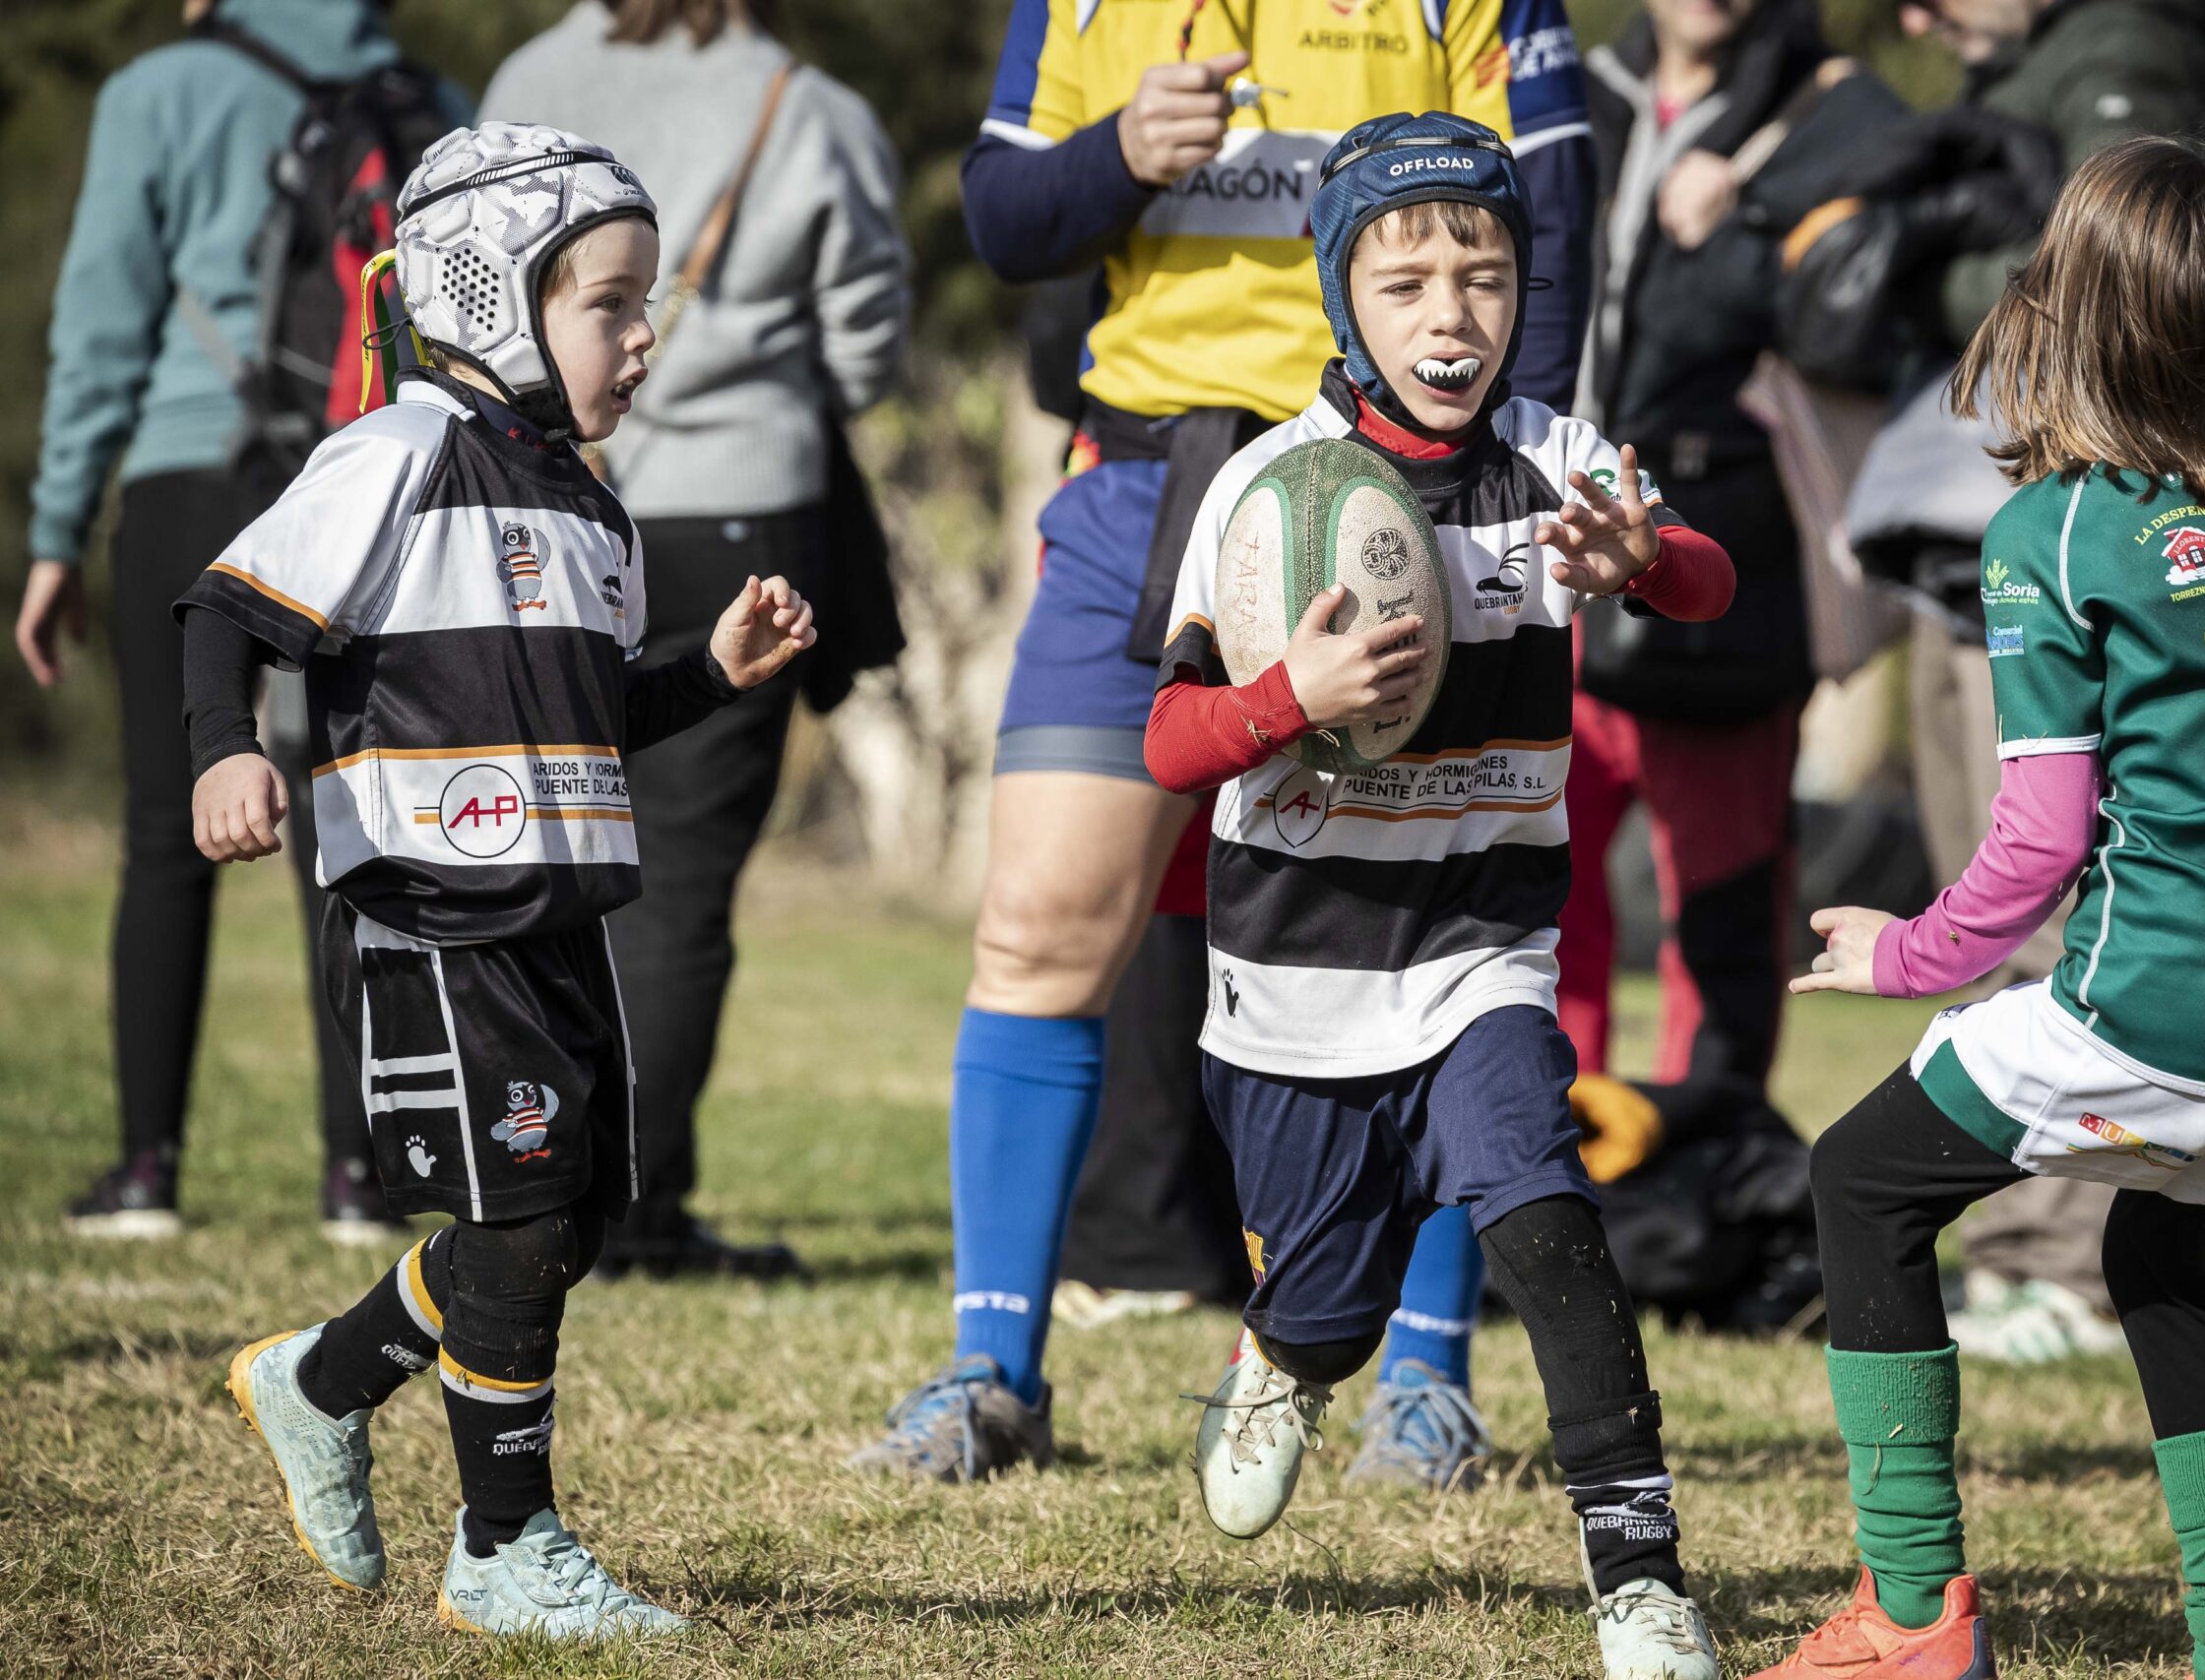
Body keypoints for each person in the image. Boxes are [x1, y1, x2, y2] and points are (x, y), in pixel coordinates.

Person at [851, 0, 1599, 1482]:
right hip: (1153, 480)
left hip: (1415, 494)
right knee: (1045, 922)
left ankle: (1424, 1384)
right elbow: (1003, 220)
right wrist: (1120, 151)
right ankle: (993, 1370)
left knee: (1437, 938)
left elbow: (1553, 232)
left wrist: (1501, 497)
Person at [1758, 136, 2205, 1680]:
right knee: (2161, 1263)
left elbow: (2035, 847)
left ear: (2059, 312)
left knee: (1863, 1180)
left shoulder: (2055, 533)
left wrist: (1904, 955)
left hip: (2172, 988)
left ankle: (1908, 1613)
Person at [197, 125, 817, 1639]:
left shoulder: (596, 512)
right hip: (436, 913)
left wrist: (713, 674)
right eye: (609, 302)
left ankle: (322, 1381)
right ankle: (503, 1543)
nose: (643, 332)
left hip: (563, 924)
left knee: (570, 1217)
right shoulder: (391, 457)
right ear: (487, 298)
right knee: (524, 1221)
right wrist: (226, 747)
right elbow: (224, 603)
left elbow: (596, 715)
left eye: (645, 301)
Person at [1150, 112, 1736, 1680]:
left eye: (1482, 275)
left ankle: (1640, 1578)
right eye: (1405, 283)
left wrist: (1649, 562)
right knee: (1332, 1300)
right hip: (1292, 981)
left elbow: (1707, 574)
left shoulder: (1560, 457)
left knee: (1543, 1210)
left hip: (1486, 945)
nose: (1450, 314)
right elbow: (1170, 741)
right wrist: (1293, 690)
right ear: (1344, 300)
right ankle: (1285, 1352)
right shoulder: (1264, 485)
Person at [1845, 0, 2205, 1364]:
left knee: (2073, 910)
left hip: (2103, 547)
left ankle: (2070, 1267)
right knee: (2016, 891)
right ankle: (2027, 1255)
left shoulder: (2123, 59)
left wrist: (1935, 261)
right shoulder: (2023, 63)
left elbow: (2124, 284)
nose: (1919, 17)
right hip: (2010, 533)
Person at [21, 0, 468, 1242]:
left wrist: (57, 532)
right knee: (356, 835)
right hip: (369, 477)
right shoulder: (430, 101)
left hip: (194, 471)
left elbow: (101, 332)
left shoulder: (159, 92)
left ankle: (147, 1173)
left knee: (170, 830)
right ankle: (363, 1174)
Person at [480, 0, 913, 1279]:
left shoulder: (524, 76)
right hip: (740, 509)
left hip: (554, 498)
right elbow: (871, 349)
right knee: (676, 881)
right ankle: (633, 1204)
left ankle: (525, 1173)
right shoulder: (810, 108)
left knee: (541, 838)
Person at [1565, 0, 1903, 1085]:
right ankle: (1537, 1191)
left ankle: (1702, 1183)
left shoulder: (1837, 108)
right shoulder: (1570, 93)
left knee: (1721, 915)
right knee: (1538, 910)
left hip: (1726, 566)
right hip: (1555, 545)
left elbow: (1879, 313)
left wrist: (1746, 224)